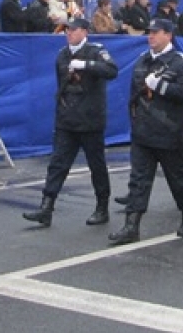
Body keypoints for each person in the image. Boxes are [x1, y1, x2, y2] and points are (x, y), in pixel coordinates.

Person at [108, 18, 183, 245]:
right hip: (143, 131)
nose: (151, 36)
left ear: (168, 35)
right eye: (149, 32)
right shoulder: (143, 60)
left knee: (177, 179)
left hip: (169, 132)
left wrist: (162, 87)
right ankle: (131, 225)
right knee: (138, 180)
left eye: (156, 32)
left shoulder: (180, 62)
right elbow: (133, 94)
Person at [22, 18, 119, 227]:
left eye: (74, 30)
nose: (69, 33)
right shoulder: (62, 55)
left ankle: (102, 207)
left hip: (90, 119)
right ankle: (46, 207)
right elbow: (62, 86)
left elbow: (111, 70)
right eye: (67, 30)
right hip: (67, 119)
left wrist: (85, 65)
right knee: (57, 164)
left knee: (97, 166)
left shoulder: (96, 51)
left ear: (84, 31)